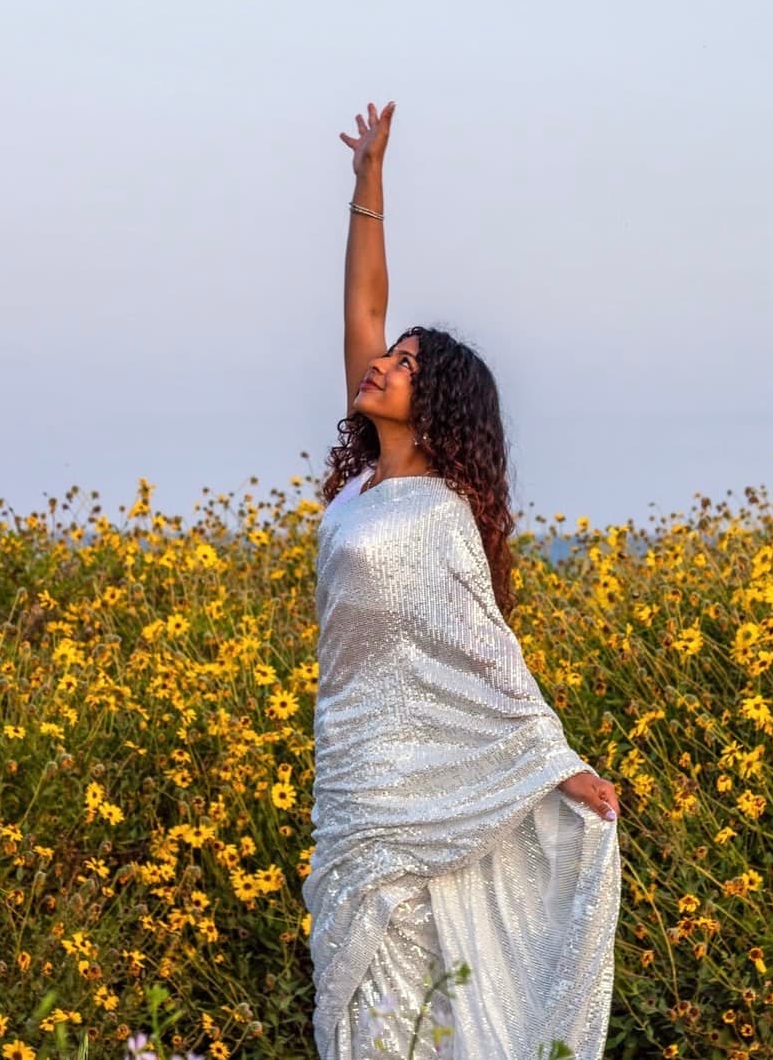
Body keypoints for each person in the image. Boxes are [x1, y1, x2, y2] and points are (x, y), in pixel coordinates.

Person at [302, 101, 623, 1059]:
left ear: (433, 401)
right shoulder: (365, 482)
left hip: (413, 778)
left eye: (403, 365)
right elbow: (362, 307)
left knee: (401, 983)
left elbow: (486, 647)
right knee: (347, 986)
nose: (383, 363)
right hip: (350, 767)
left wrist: (555, 762)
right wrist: (368, 182)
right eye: (388, 357)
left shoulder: (442, 513)